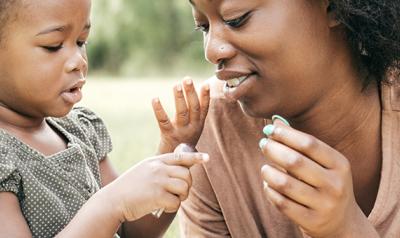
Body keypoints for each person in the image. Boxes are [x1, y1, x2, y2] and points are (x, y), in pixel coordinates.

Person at [174, 0, 400, 237]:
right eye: (204, 27)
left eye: (236, 19)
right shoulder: (213, 132)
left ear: (333, 7)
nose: (211, 51)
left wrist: (348, 230)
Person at [0, 0, 211, 237]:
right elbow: (115, 206)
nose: (79, 60)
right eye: (53, 45)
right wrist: (111, 204)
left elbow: (135, 230)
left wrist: (172, 155)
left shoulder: (81, 130)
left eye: (81, 42)